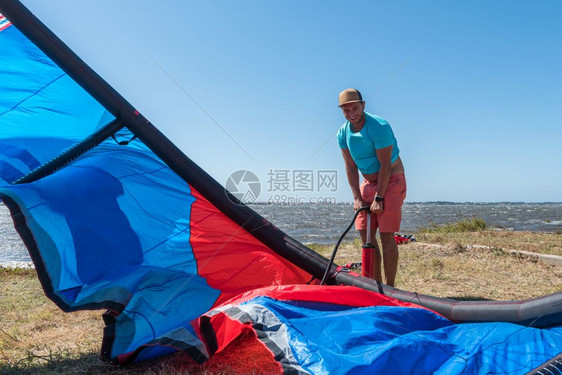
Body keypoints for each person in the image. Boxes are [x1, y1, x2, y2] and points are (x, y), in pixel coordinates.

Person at [336, 88, 406, 286]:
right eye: (346, 110)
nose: (351, 114)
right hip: (368, 183)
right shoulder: (343, 133)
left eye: (355, 108)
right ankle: (375, 286)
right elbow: (350, 166)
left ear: (363, 105)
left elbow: (385, 166)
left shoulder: (379, 127)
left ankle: (390, 288)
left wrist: (380, 197)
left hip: (391, 179)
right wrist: (357, 197)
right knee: (364, 232)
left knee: (386, 235)